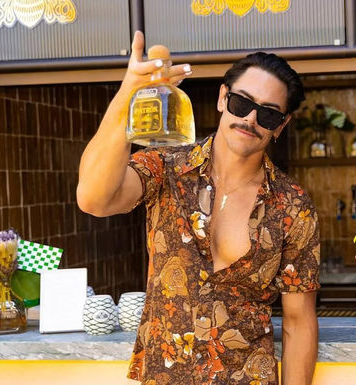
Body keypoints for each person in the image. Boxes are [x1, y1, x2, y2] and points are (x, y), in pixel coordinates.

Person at [77, 31, 319, 385]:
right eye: (241, 103)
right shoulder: (166, 168)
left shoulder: (293, 206)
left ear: (280, 126)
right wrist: (129, 92)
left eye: (268, 115)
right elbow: (93, 199)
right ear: (223, 98)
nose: (250, 119)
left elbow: (299, 322)